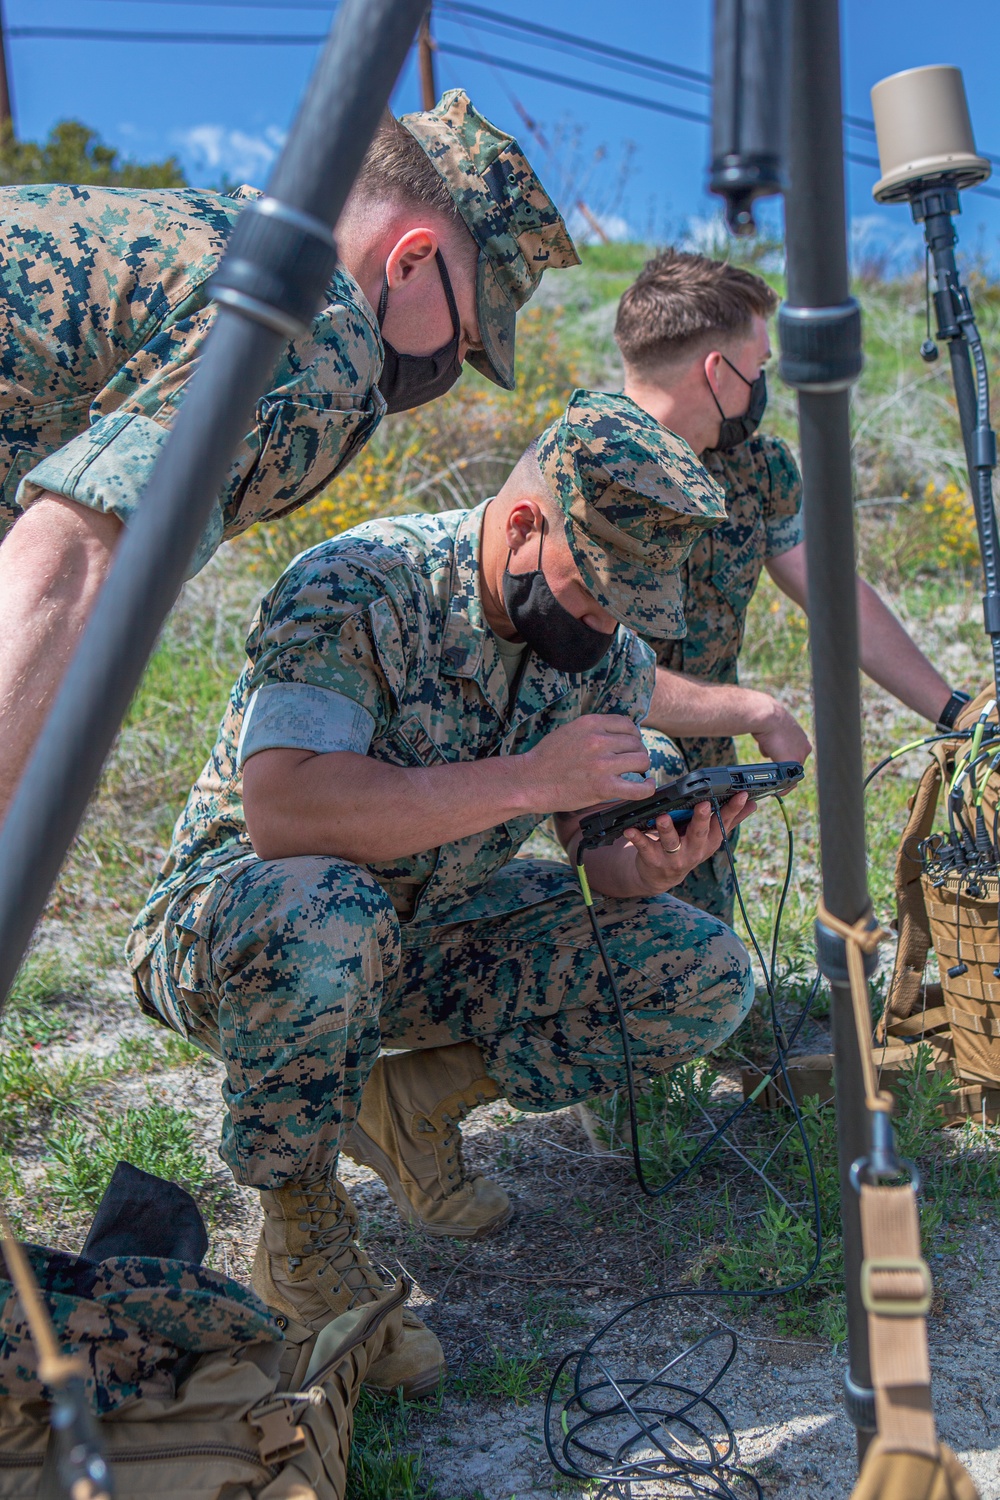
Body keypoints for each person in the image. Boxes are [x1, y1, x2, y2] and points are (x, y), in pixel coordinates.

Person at [127, 390, 756, 1400]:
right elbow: (285, 813)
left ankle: (409, 1107)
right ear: (520, 525)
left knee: (698, 968)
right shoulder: (361, 582)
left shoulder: (596, 650)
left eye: (629, 605)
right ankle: (300, 1235)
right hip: (245, 927)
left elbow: (591, 859)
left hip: (424, 926)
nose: (605, 624)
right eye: (592, 590)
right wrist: (532, 779)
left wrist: (646, 868)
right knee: (327, 912)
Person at [0, 90, 578, 817]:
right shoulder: (315, 332)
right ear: (411, 260)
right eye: (462, 339)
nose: (448, 368)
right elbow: (74, 557)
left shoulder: (215, 237)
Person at [614, 249, 966, 921]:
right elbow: (591, 682)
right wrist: (758, 712)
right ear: (718, 372)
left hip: (707, 763)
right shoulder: (588, 473)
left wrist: (953, 711)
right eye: (761, 369)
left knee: (707, 949)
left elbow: (834, 596)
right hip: (607, 760)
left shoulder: (752, 468)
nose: (763, 387)